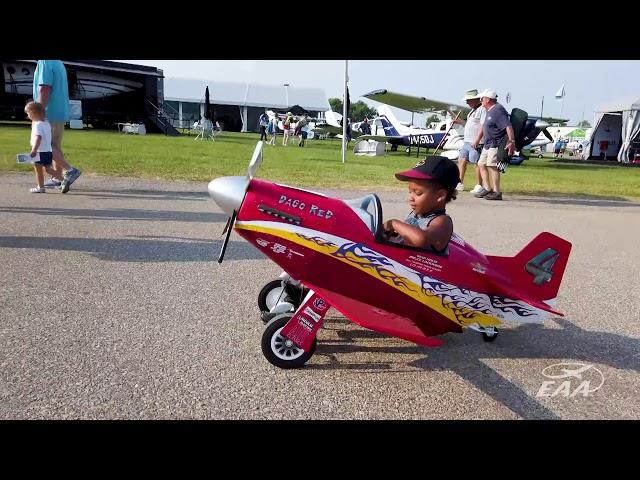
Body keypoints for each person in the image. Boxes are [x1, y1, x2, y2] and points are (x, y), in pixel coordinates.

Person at [382, 156, 459, 254]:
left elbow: (421, 239)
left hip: (421, 267)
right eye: (410, 192)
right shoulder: (418, 213)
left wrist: (393, 223)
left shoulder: (442, 221)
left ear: (440, 196)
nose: (411, 197)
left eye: (417, 193)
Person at [32, 60, 81, 193]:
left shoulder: (45, 62)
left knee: (47, 145)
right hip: (60, 111)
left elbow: (44, 88)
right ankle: (57, 178)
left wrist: (38, 112)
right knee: (55, 145)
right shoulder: (58, 63)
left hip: (48, 111)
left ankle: (70, 170)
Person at [472, 89, 516, 201]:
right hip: (488, 144)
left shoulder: (498, 110)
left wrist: (511, 141)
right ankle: (487, 188)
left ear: (488, 99)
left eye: (482, 99)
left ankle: (497, 192)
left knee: (492, 166)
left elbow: (508, 126)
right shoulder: (489, 110)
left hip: (495, 143)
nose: (480, 100)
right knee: (481, 164)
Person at [24, 101, 65, 193]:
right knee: (48, 169)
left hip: (39, 151)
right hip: (48, 151)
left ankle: (41, 187)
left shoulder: (37, 125)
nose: (27, 116)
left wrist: (34, 150)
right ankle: (64, 180)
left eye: (28, 113)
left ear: (34, 113)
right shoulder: (46, 123)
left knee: (38, 170)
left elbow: (38, 138)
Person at [453, 89, 486, 193]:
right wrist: (460, 122)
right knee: (461, 160)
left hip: (475, 142)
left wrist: (477, 140)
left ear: (476, 99)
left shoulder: (482, 109)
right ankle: (459, 182)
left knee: (476, 162)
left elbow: (483, 126)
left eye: (468, 100)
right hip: (467, 142)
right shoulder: (473, 110)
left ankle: (480, 185)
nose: (467, 102)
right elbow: (469, 124)